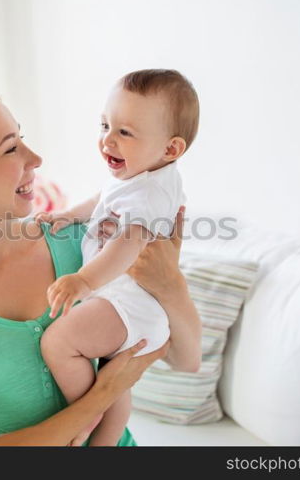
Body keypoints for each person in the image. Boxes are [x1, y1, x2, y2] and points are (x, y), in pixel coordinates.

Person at [0, 84, 202, 446]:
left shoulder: (84, 242)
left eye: (22, 138)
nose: (36, 159)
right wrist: (102, 395)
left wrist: (170, 283)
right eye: (11, 148)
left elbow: (186, 360)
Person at [35, 69, 200, 446]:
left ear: (170, 149)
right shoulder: (139, 175)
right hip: (129, 305)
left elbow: (128, 242)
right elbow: (101, 199)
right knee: (116, 374)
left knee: (58, 343)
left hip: (129, 303)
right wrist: (67, 215)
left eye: (125, 132)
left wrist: (84, 281)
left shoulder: (150, 195)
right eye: (105, 125)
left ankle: (87, 413)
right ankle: (105, 442)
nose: (107, 140)